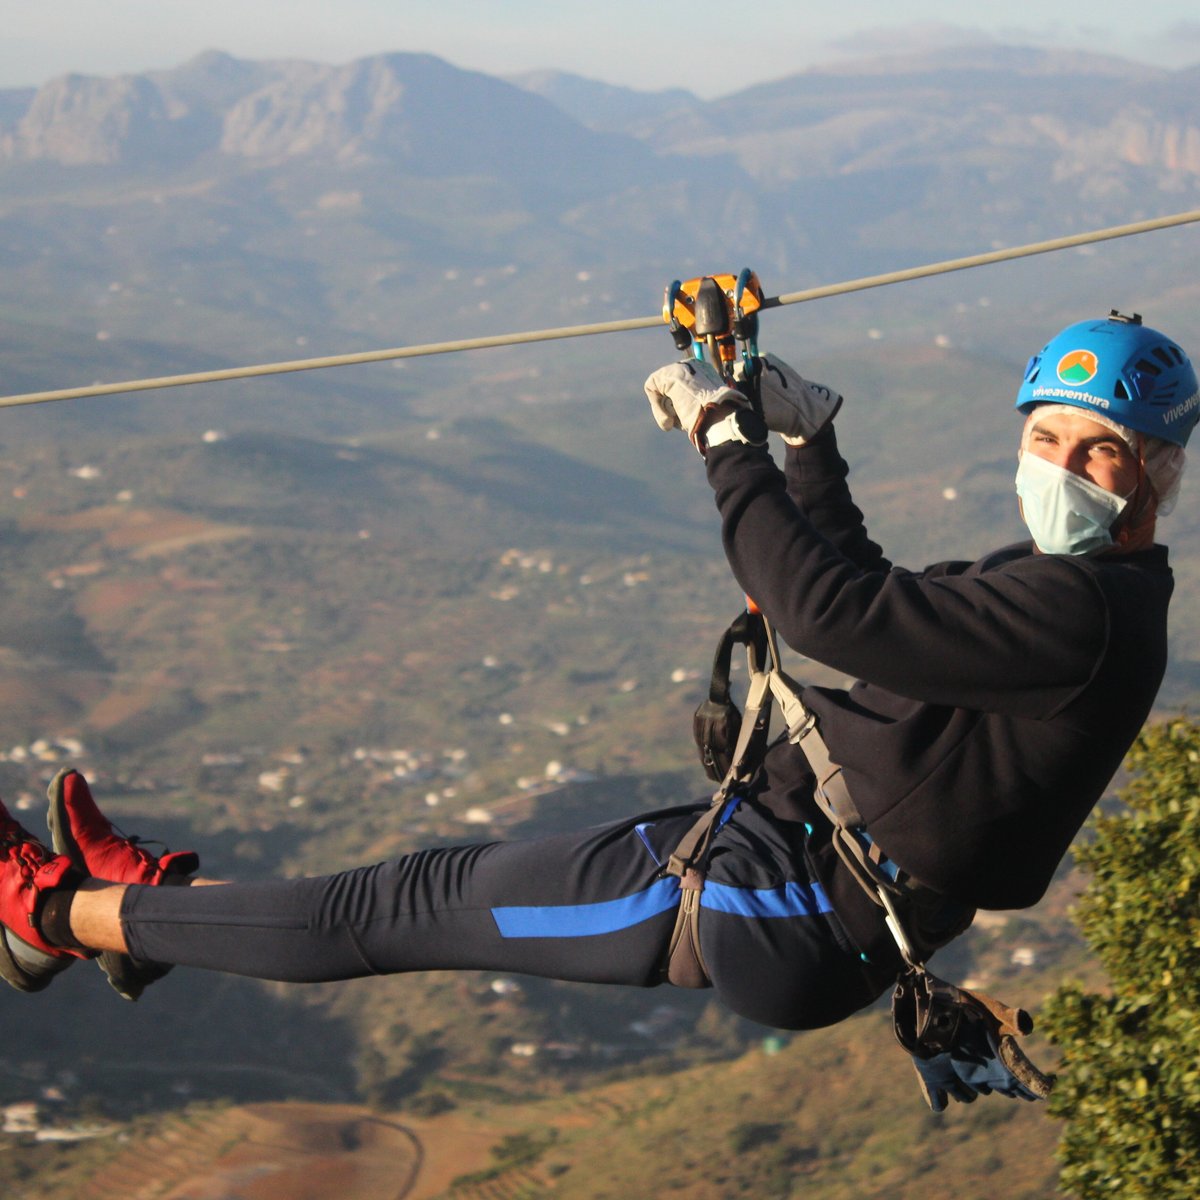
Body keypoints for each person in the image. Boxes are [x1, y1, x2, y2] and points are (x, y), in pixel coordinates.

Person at [0, 313, 1193, 1065]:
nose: (1064, 467)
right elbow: (874, 606)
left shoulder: (1082, 613)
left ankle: (52, 920)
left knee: (389, 909)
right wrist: (809, 447)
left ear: (1158, 473)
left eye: (1099, 451)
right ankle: (141, 903)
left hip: (783, 909)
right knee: (404, 893)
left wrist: (728, 444)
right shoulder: (1075, 585)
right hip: (779, 853)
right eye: (1048, 437)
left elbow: (832, 614)